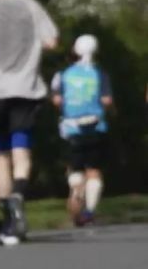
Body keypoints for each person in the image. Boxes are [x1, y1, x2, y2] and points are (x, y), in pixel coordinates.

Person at [0, 0, 58, 244]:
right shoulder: (29, 6)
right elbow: (51, 41)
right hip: (25, 87)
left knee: (0, 154)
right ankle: (19, 193)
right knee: (21, 150)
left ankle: (10, 216)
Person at [51, 34, 113, 227]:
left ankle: (76, 189)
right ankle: (89, 211)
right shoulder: (99, 73)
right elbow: (106, 100)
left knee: (74, 166)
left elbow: (57, 98)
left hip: (71, 127)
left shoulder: (64, 73)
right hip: (95, 125)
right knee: (94, 170)